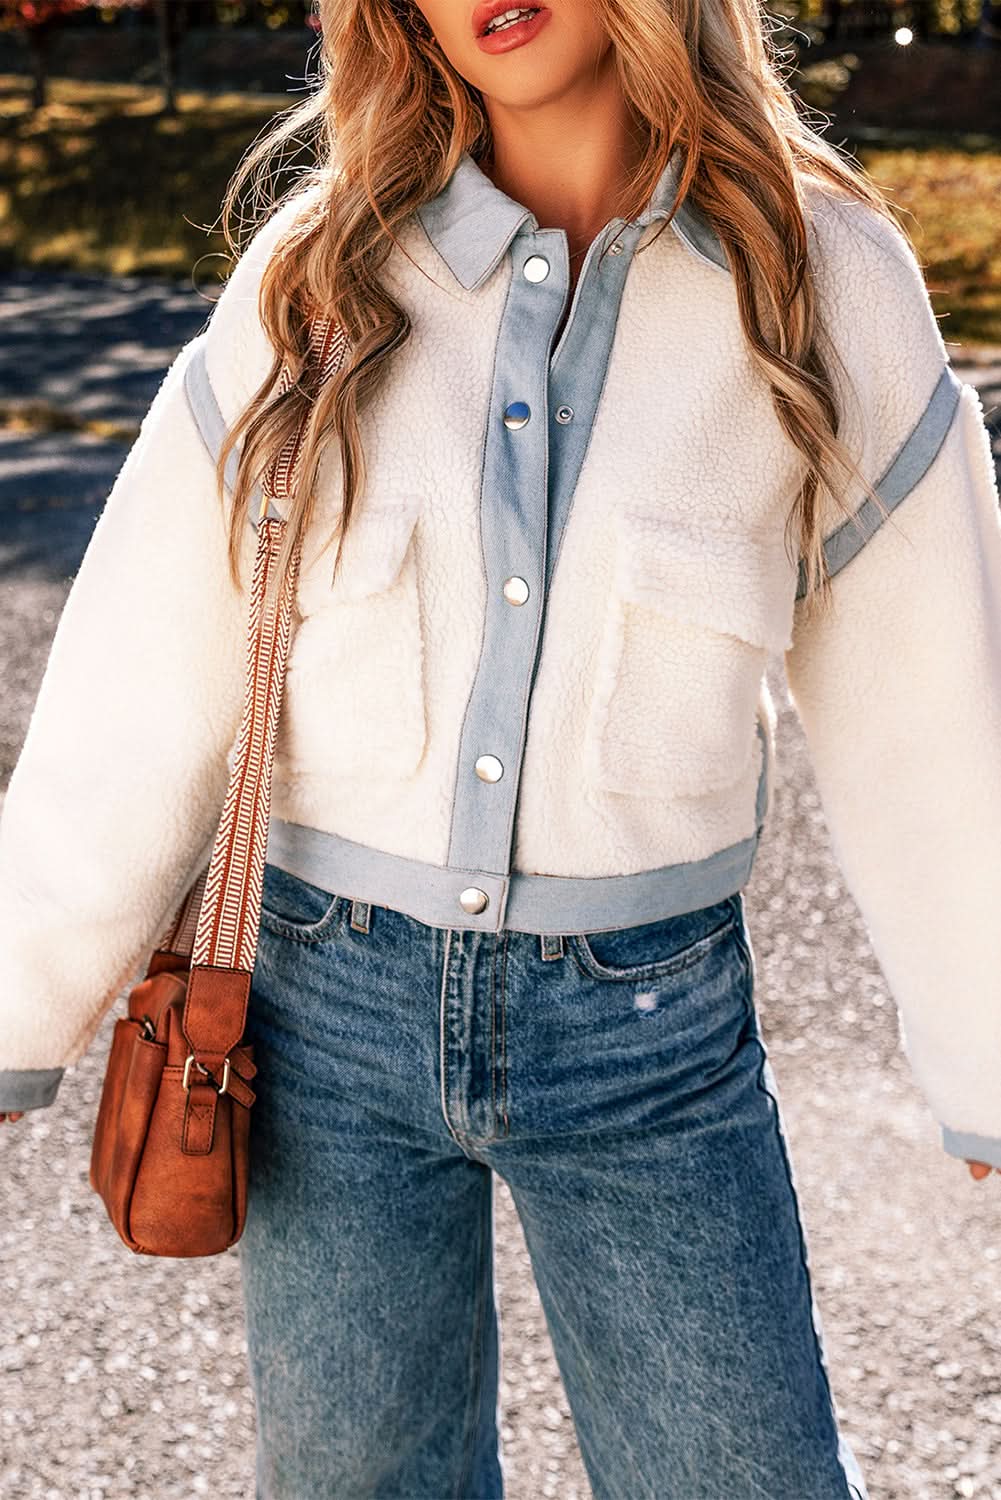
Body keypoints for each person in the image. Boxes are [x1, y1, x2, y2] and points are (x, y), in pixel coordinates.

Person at [2, 0, 1000, 1492]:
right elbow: (138, 677)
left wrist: (988, 1054)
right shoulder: (315, 274)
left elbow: (934, 717)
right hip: (321, 1023)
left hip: (647, 1041)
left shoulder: (819, 282)